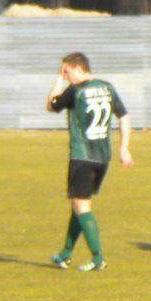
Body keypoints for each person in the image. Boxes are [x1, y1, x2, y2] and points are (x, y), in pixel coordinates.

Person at [46, 52, 132, 272]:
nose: (65, 76)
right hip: (103, 156)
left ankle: (97, 258)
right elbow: (124, 116)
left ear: (76, 68)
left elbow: (51, 105)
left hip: (82, 155)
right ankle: (65, 254)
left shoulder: (76, 90)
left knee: (81, 206)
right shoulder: (107, 87)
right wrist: (124, 148)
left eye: (66, 71)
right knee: (79, 203)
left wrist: (57, 80)